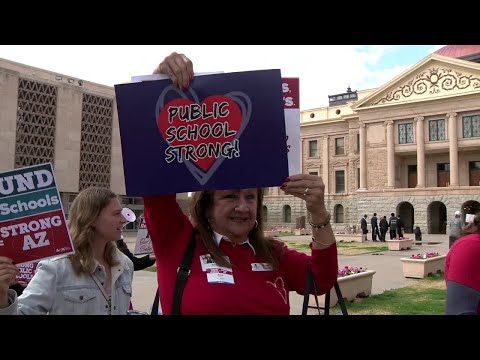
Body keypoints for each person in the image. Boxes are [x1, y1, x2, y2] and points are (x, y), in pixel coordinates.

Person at [142, 52, 338, 315]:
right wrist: (161, 83)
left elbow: (321, 280)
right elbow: (155, 181)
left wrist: (318, 211)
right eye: (231, 197)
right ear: (207, 205)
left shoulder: (272, 253)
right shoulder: (177, 241)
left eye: (251, 197)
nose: (243, 207)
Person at [0, 187, 134, 315]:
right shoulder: (57, 267)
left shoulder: (125, 264)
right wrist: (2, 295)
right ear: (91, 218)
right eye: (116, 214)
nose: (123, 220)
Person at [445, 212, 480, 315]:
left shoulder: (453, 220)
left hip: (454, 235)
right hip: (458, 238)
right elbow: (459, 310)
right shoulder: (471, 246)